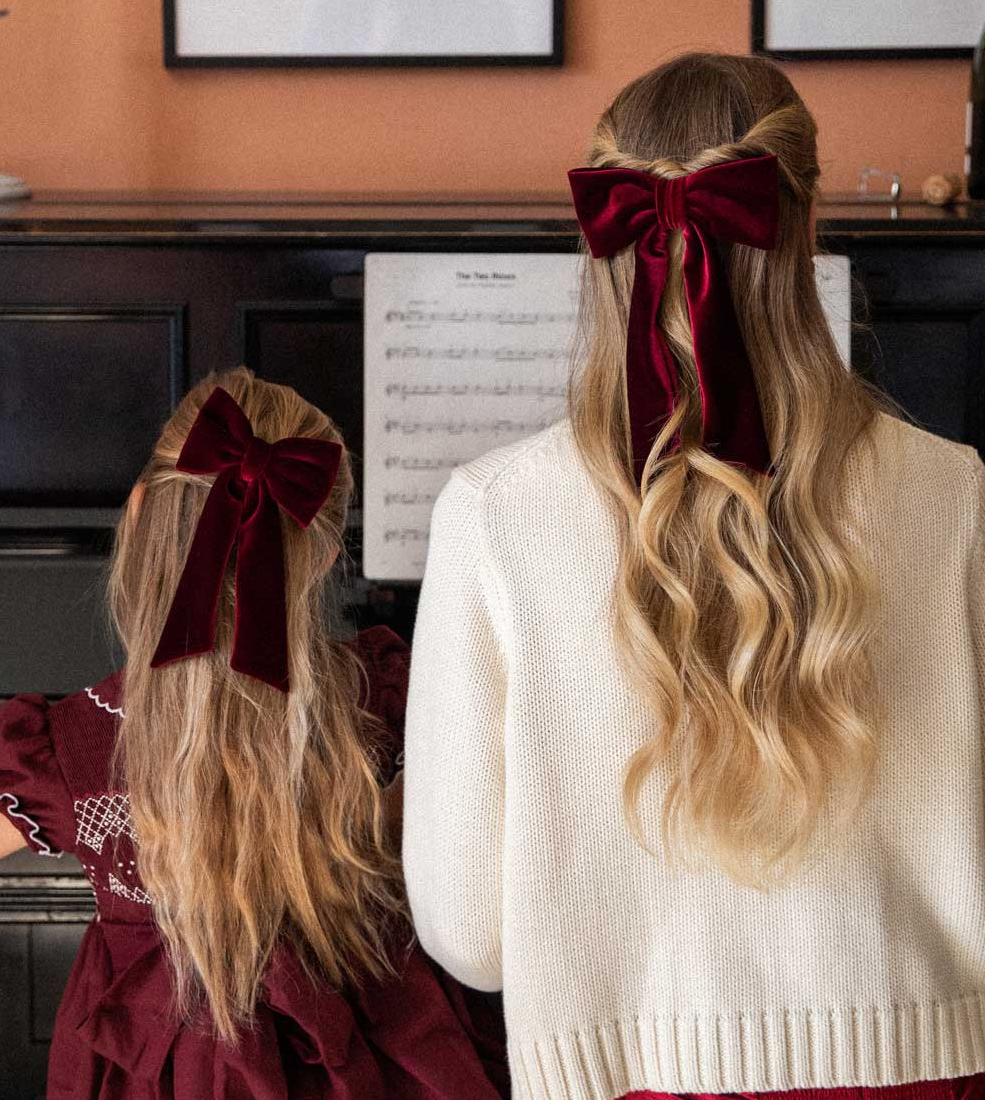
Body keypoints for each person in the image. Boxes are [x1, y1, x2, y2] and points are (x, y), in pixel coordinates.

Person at [402, 52, 985, 1100]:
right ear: (807, 227)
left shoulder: (491, 516)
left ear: (602, 242)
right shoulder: (957, 494)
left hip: (625, 1077)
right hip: (919, 1066)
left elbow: (470, 932)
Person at [0, 368, 508, 1100]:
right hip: (386, 1060)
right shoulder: (388, 696)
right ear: (328, 552)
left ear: (138, 512)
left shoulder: (75, 745)